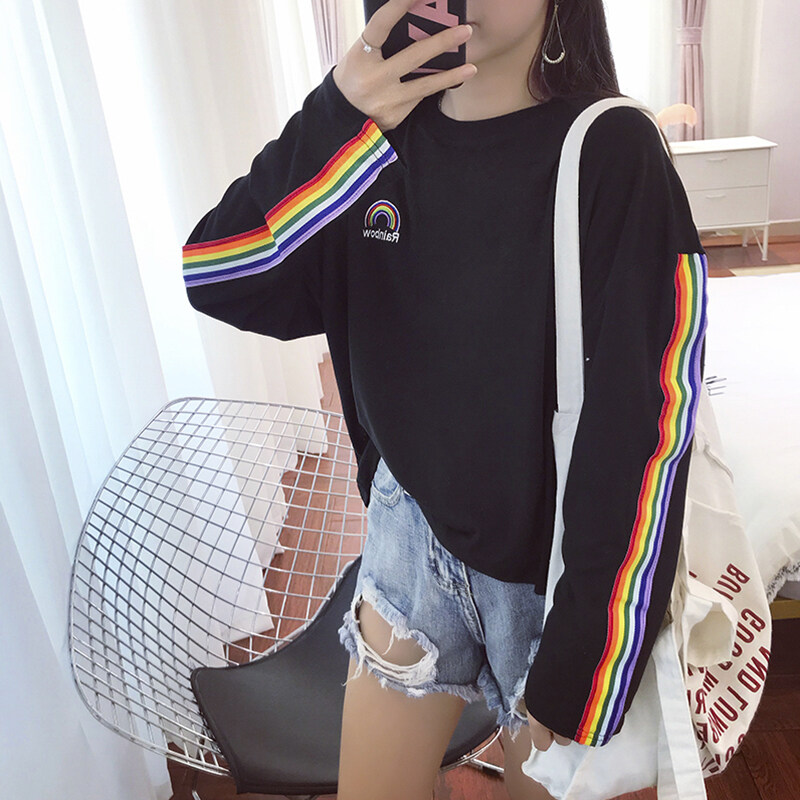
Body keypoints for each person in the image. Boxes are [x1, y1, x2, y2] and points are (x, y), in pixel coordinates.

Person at [181, 0, 708, 798]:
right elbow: (219, 275)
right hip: (410, 540)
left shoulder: (609, 148)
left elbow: (649, 419)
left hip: (550, 572)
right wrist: (339, 111)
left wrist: (589, 659)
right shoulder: (369, 147)